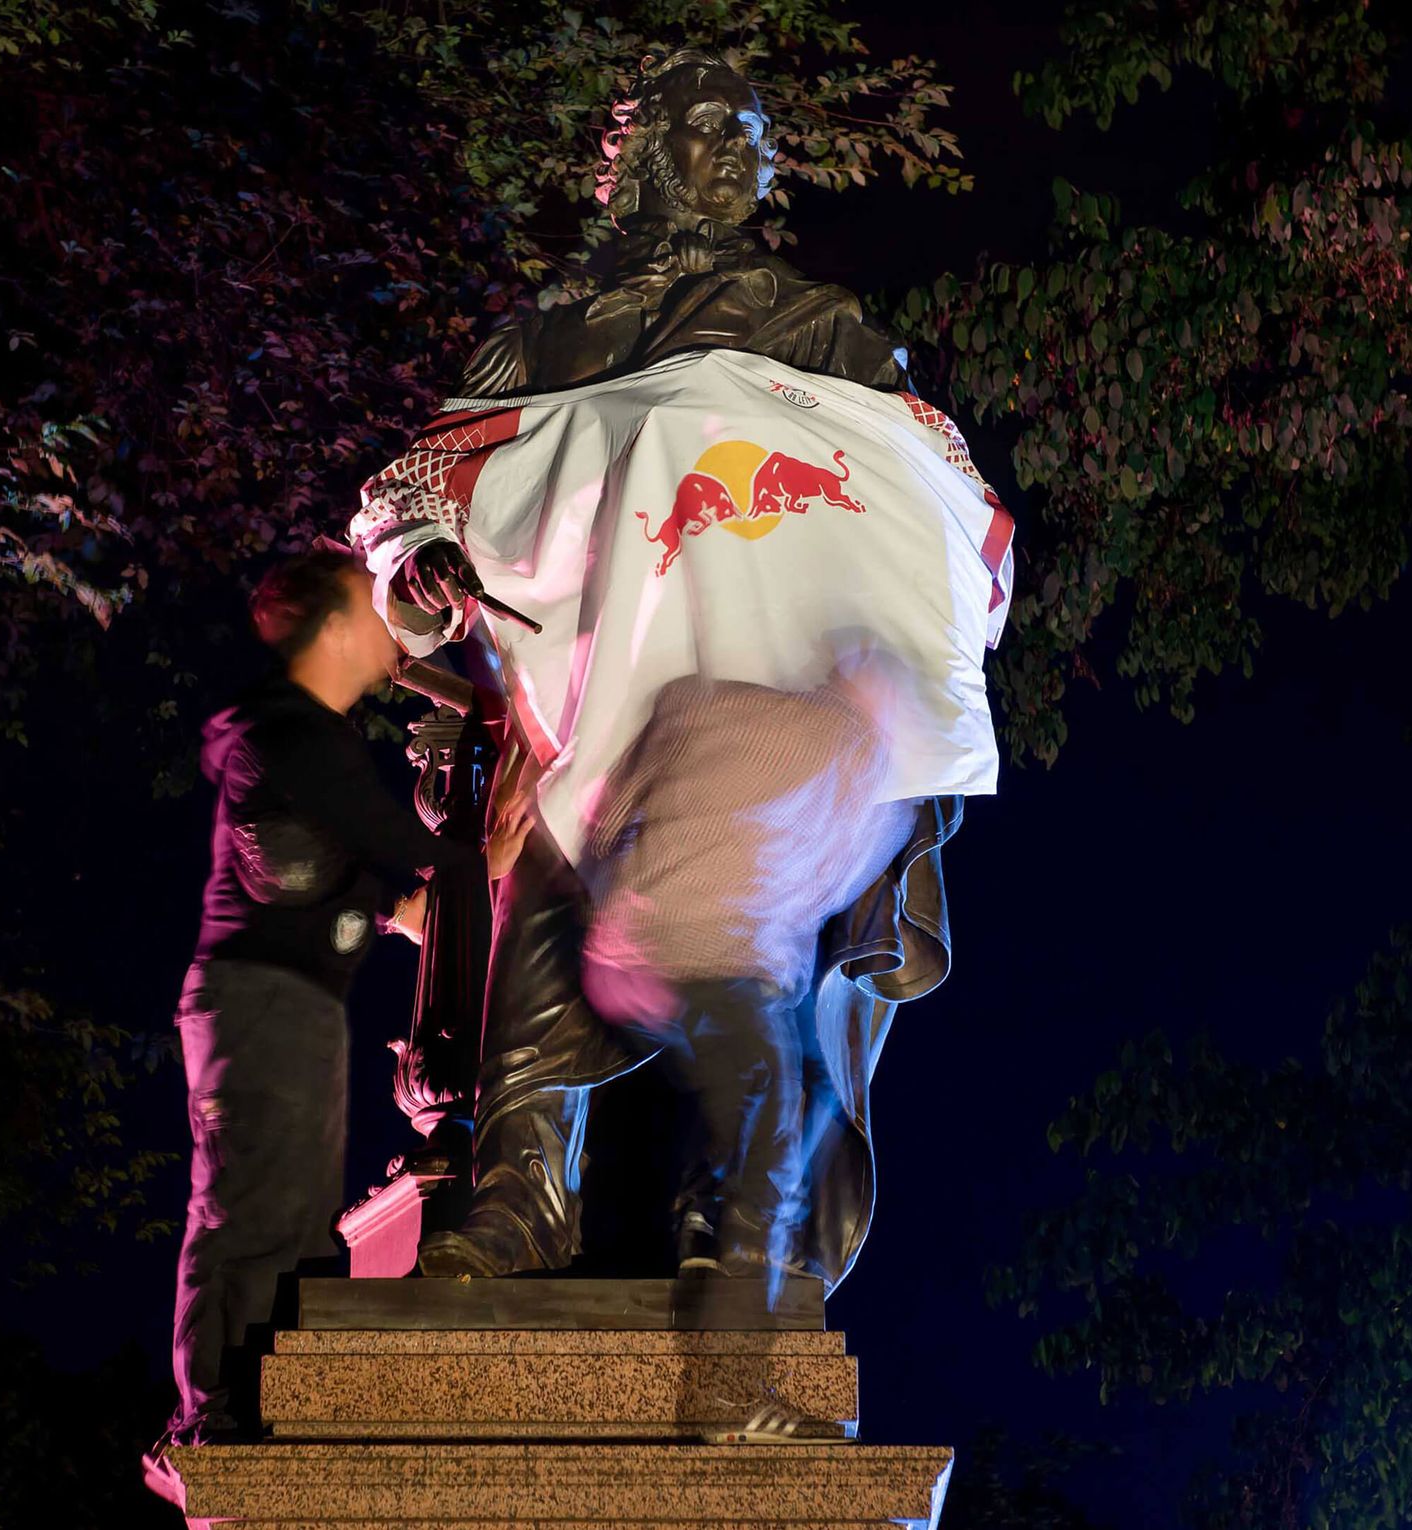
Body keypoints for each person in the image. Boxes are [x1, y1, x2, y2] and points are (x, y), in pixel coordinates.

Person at [351, 48, 1013, 1306]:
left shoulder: (823, 328)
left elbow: (933, 479)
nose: (738, 153)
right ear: (644, 153)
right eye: (709, 128)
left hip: (773, 701)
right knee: (550, 882)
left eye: (751, 135)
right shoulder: (549, 332)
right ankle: (519, 1195)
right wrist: (424, 561)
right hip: (599, 688)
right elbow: (407, 490)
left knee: (764, 949)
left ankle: (740, 1235)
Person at [153, 546, 477, 1469]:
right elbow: (392, 839)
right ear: (335, 628)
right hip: (259, 1005)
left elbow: (313, 864)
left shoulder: (297, 739)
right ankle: (210, 1420)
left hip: (287, 1005)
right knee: (250, 1209)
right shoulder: (292, 735)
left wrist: (389, 906)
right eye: (375, 612)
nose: (391, 631)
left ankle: (252, 1404)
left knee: (292, 1217)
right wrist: (474, 861)